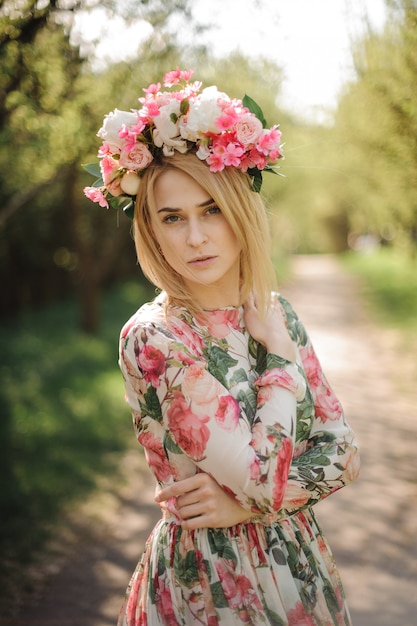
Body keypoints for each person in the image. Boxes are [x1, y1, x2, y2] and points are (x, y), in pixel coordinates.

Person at [84, 69, 360, 626]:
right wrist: (279, 362)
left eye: (211, 209)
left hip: (298, 569)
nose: (196, 236)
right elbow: (264, 476)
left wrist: (241, 505)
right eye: (173, 218)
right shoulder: (156, 337)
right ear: (152, 230)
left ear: (239, 209)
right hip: (212, 580)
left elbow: (344, 450)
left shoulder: (275, 311)